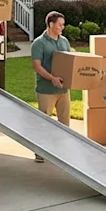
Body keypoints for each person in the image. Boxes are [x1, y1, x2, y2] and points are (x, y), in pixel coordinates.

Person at [28, 10, 70, 163]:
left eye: (63, 25)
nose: (62, 27)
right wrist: (52, 78)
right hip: (46, 90)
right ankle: (40, 152)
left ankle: (62, 152)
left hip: (64, 90)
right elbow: (36, 66)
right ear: (51, 24)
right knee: (44, 123)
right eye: (59, 24)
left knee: (65, 123)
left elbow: (69, 62)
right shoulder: (39, 43)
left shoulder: (64, 41)